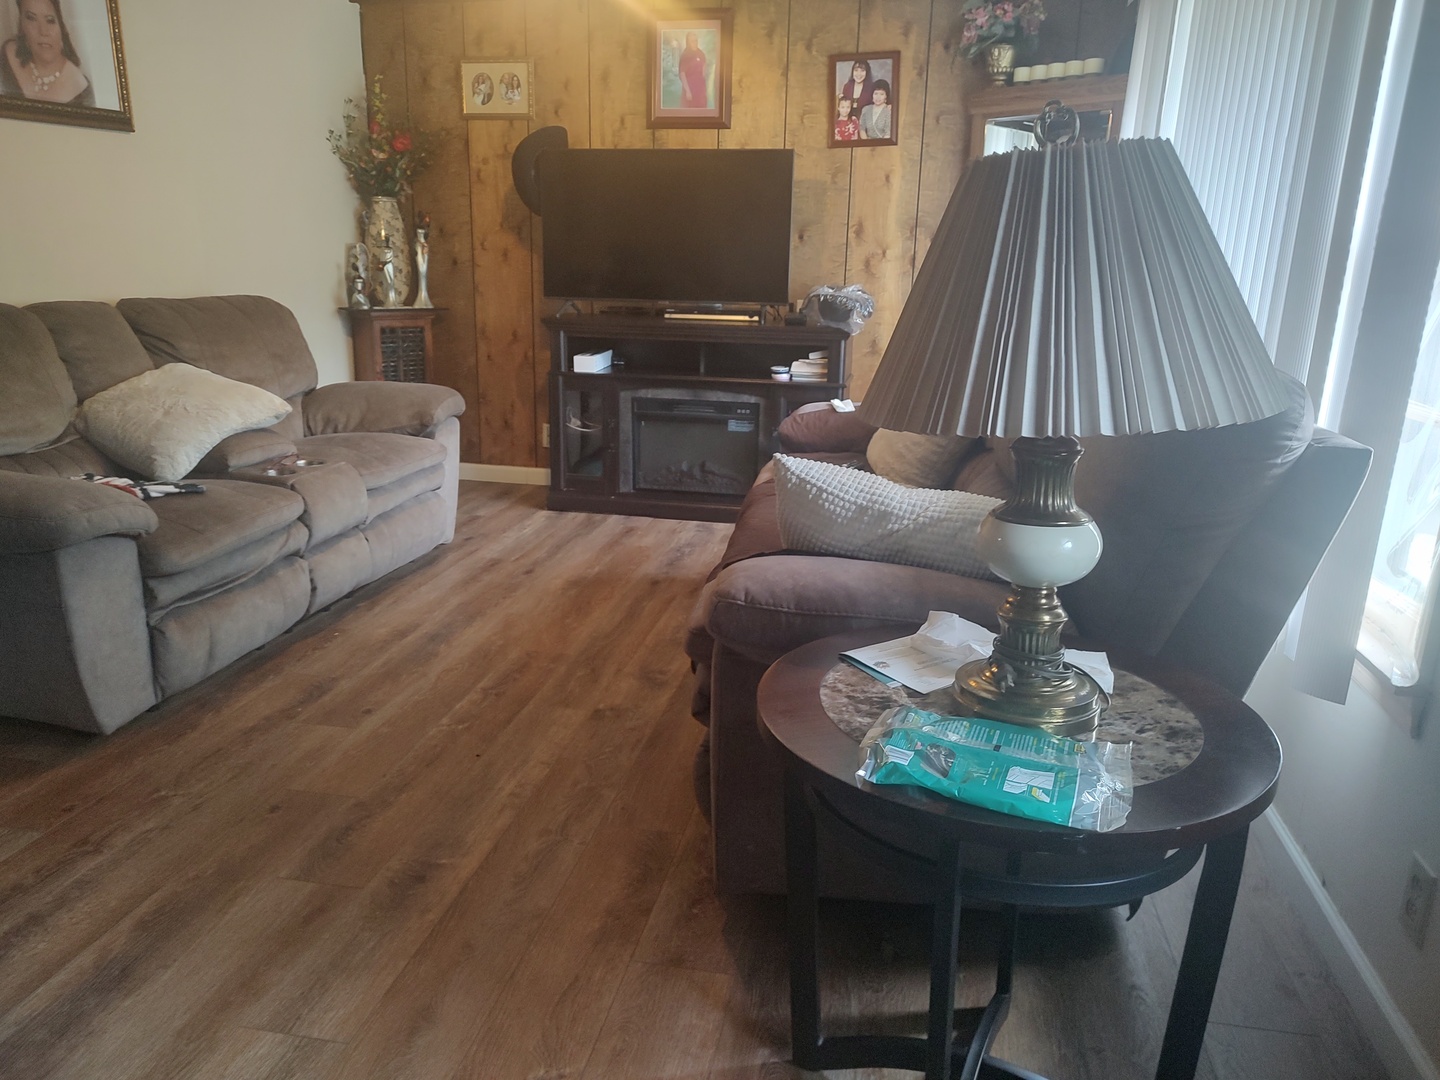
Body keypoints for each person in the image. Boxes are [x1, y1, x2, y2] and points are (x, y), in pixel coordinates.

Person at [0, 0, 92, 105]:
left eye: (50, 20)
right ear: (21, 24)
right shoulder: (7, 55)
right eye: (31, 18)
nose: (43, 31)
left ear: (61, 27)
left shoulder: (81, 90)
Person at [679, 31, 707, 108]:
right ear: (688, 42)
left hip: (700, 90)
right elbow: (682, 74)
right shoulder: (685, 55)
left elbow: (704, 71)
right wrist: (687, 91)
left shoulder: (701, 54)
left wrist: (703, 90)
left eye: (696, 40)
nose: (695, 43)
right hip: (689, 89)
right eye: (692, 41)